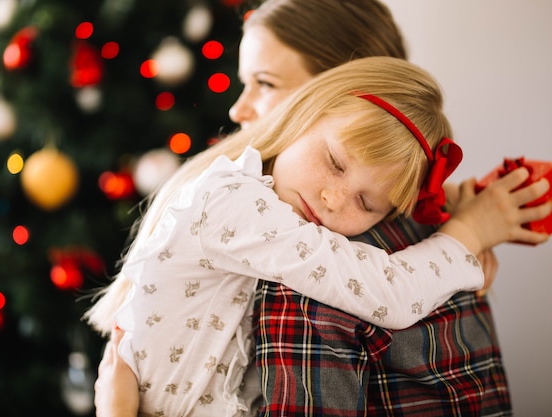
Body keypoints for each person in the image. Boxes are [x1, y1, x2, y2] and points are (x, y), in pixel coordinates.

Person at [85, 56, 551, 416]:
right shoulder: (233, 202)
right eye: (335, 162)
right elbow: (386, 290)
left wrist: (452, 200)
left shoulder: (259, 202)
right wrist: (470, 231)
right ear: (307, 113)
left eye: (366, 205)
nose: (333, 198)